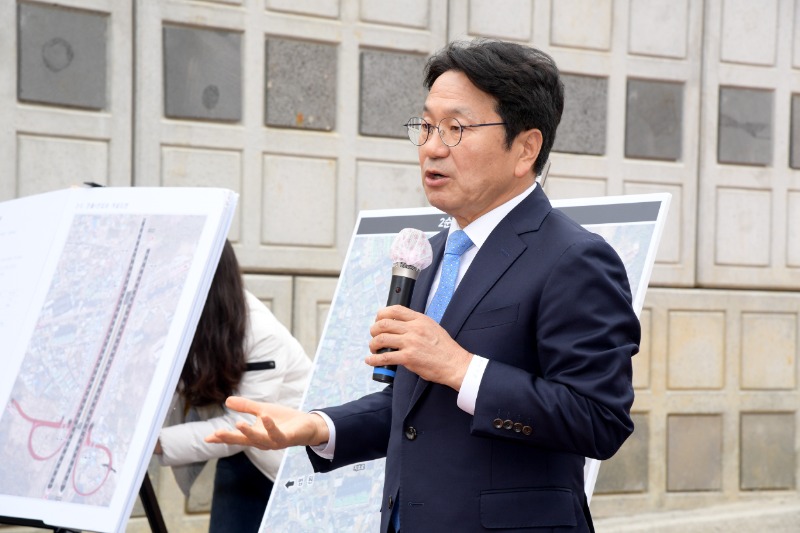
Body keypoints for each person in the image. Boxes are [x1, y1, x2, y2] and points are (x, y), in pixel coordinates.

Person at [207, 38, 639, 532]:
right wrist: (318, 426)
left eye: (456, 128)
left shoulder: (574, 258)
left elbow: (599, 419)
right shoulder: (428, 255)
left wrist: (461, 367)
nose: (432, 147)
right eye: (427, 126)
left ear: (525, 148)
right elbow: (413, 407)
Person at [154, 239, 312, 533]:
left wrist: (156, 442)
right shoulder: (189, 318)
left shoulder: (261, 333)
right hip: (241, 451)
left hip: (282, 457)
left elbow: (243, 425)